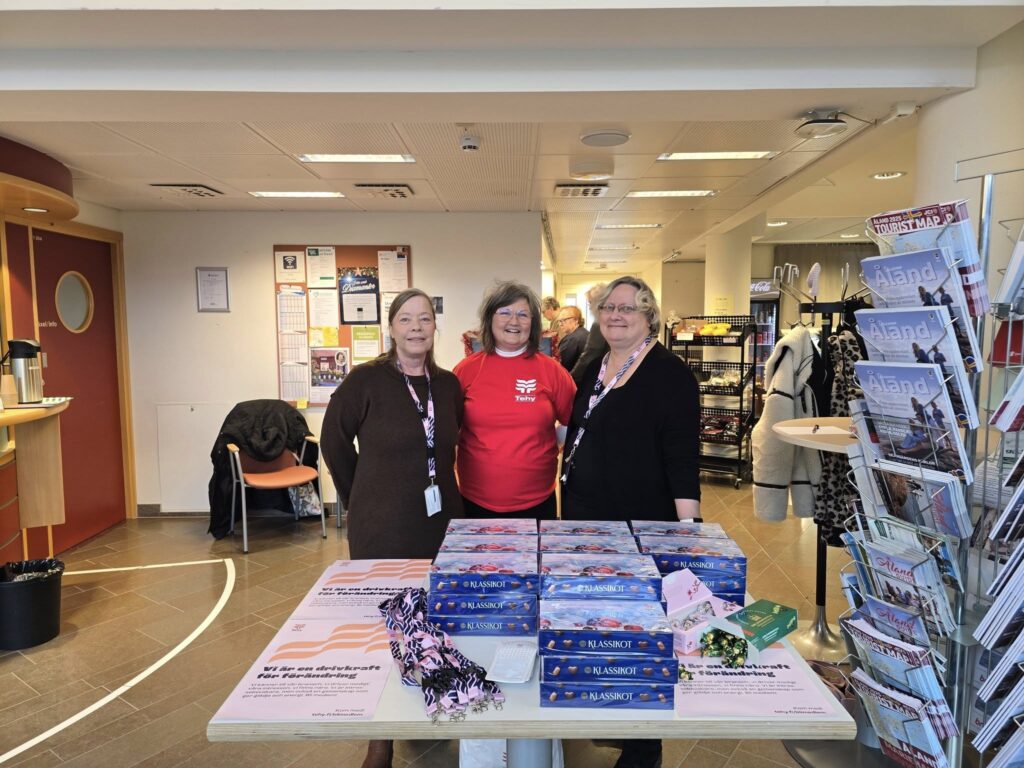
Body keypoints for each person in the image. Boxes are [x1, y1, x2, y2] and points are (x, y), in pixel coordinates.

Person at [560, 275, 700, 768]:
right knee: (600, 621)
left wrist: (689, 533)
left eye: (628, 308)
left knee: (641, 631)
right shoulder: (593, 365)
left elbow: (682, 459)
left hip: (640, 525)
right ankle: (614, 712)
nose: (616, 316)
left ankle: (644, 747)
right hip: (585, 522)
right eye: (609, 307)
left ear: (649, 317)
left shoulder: (670, 374)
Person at [321, 288, 463, 768]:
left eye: (424, 319)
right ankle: (379, 736)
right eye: (406, 319)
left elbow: (447, 446)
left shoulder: (448, 385)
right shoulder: (365, 381)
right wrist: (358, 495)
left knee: (436, 620)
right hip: (382, 524)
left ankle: (433, 704)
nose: (416, 327)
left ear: (435, 327)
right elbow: (333, 441)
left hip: (441, 521)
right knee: (388, 628)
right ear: (391, 327)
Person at [454, 281, 576, 519]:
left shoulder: (552, 371)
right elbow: (449, 428)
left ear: (533, 323)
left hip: (537, 501)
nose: (514, 321)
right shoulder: (466, 370)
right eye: (505, 312)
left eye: (523, 314)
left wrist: (549, 444)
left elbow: (574, 422)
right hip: (474, 500)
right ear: (490, 319)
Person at [569, 282, 609, 385]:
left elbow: (591, 353)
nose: (590, 307)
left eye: (590, 303)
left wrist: (571, 378)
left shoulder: (600, 323)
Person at [554, 305, 589, 373]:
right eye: (559, 321)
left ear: (576, 320)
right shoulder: (585, 333)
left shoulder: (571, 339)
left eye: (563, 320)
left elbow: (561, 366)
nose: (560, 324)